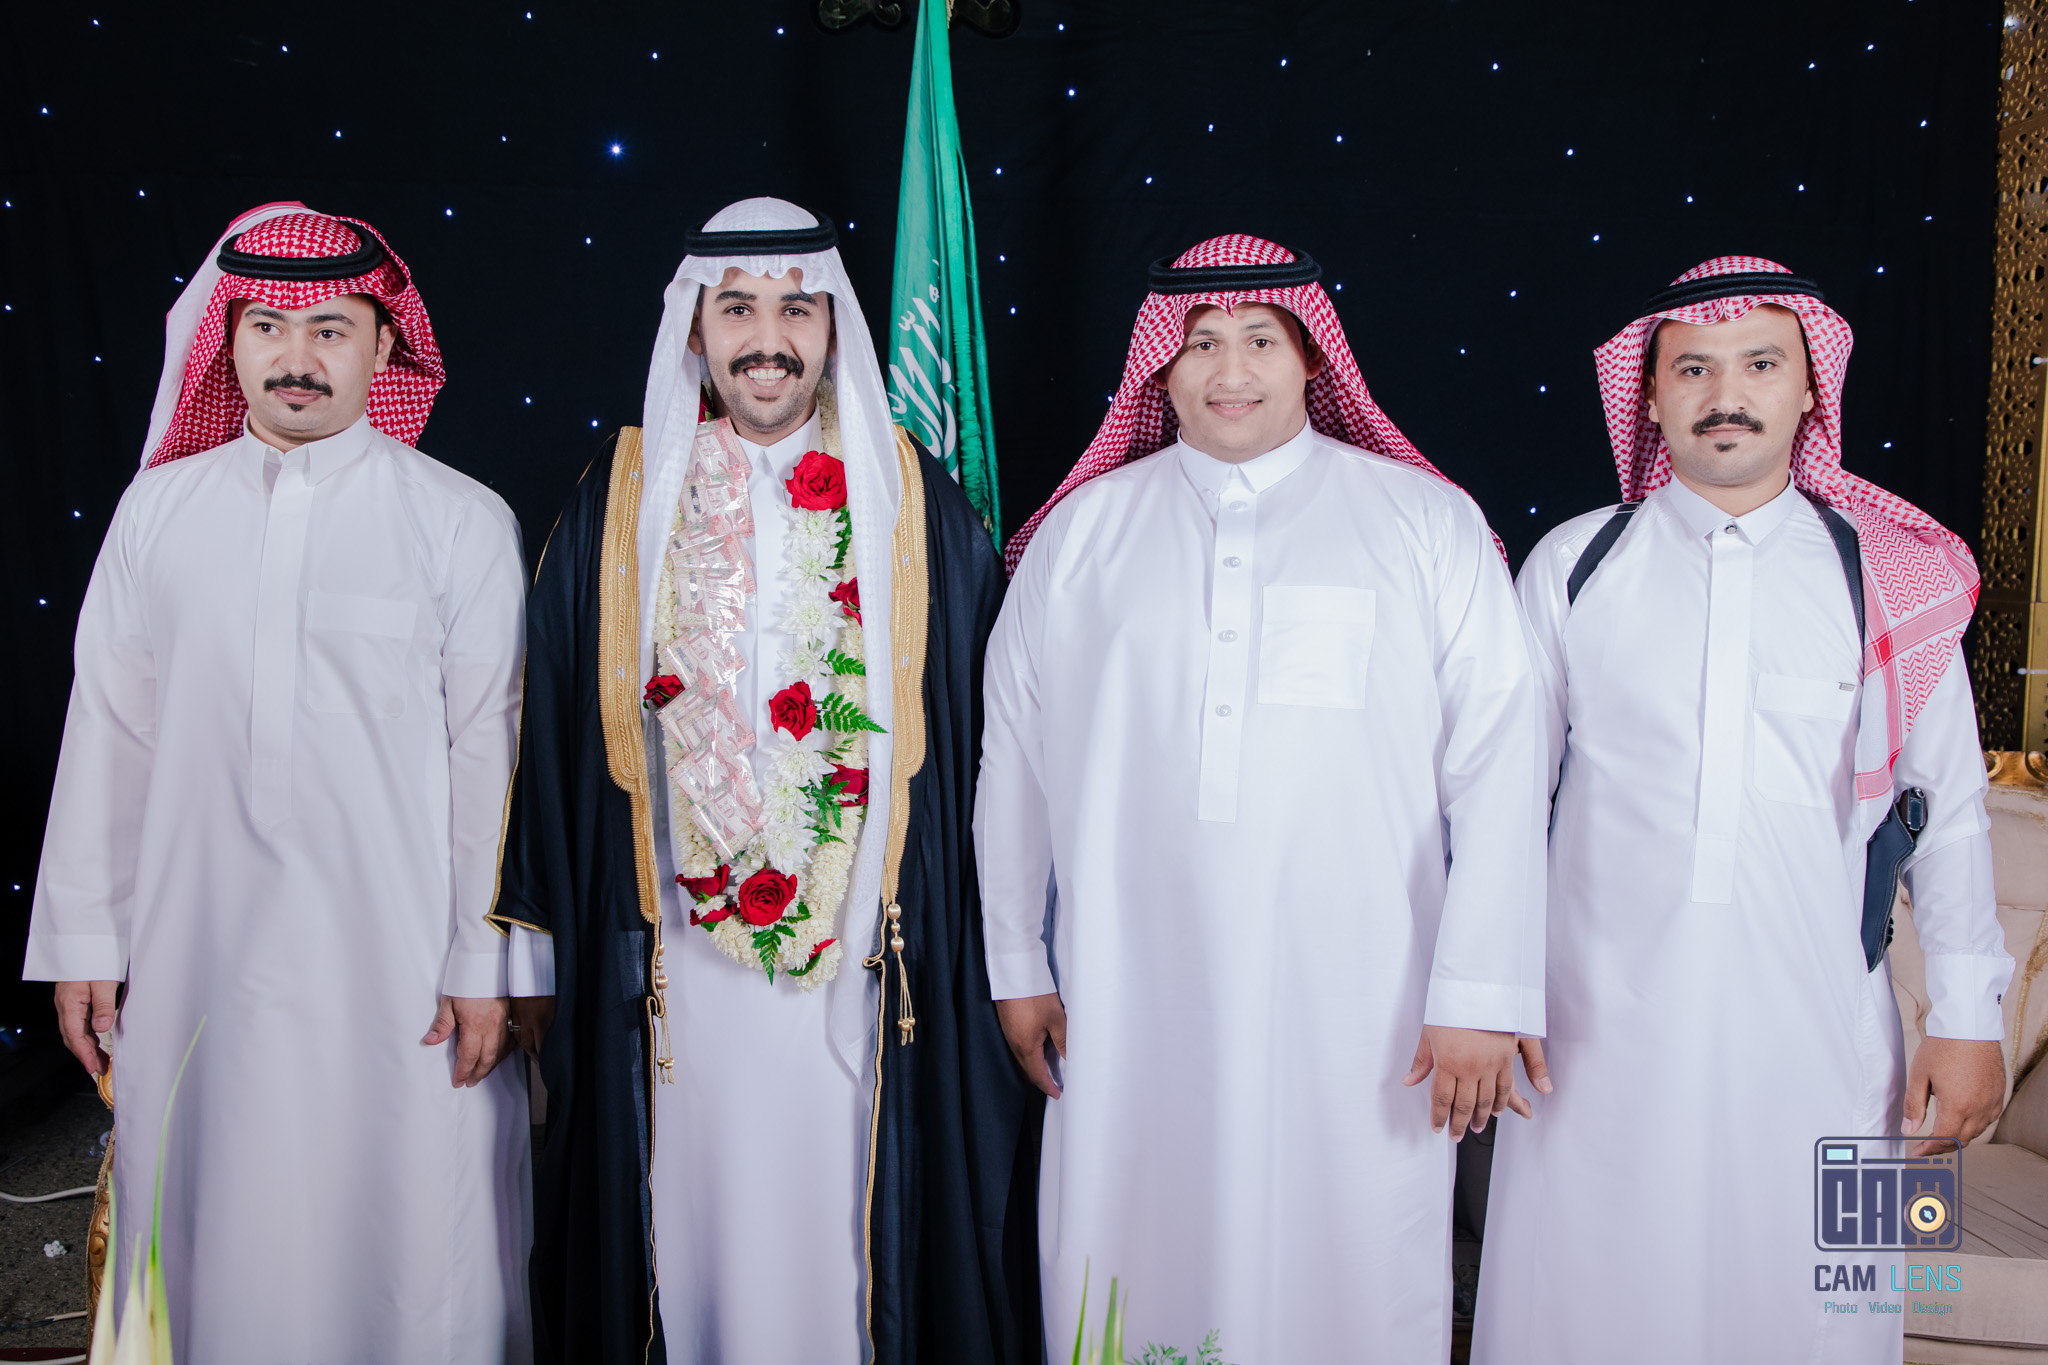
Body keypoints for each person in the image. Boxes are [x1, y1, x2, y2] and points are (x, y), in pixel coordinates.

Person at [976, 234, 1549, 1359]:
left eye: (1259, 340)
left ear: (1312, 360)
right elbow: (1015, 759)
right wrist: (1015, 962)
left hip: (1365, 1002)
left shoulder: (1422, 522)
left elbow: (1499, 759)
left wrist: (1480, 991)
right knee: (1133, 1244)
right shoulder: (1080, 534)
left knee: (1349, 1251)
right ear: (1161, 365)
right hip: (1126, 988)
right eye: (1199, 343)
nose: (1228, 370)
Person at [496, 197, 1040, 1364]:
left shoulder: (910, 502)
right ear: (694, 331)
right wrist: (532, 953)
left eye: (796, 310)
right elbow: (546, 730)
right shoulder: (623, 500)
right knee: (687, 1201)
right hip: (671, 957)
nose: (767, 340)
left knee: (844, 1206)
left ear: (833, 330)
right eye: (736, 309)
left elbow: (982, 736)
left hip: (856, 953)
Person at [1473, 256, 2015, 1365]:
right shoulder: (1574, 564)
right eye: (1693, 369)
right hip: (1592, 1033)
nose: (1725, 394)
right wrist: (1486, 986)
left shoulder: (1895, 582)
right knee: (1579, 1308)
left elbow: (1950, 813)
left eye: (1760, 364)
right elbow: (1499, 803)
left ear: (1810, 389)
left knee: (1840, 1310)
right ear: (1649, 395)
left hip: (1829, 1034)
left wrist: (1969, 1020)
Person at [25, 203, 533, 1361]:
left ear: (385, 344)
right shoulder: (159, 512)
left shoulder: (458, 521)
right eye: (267, 327)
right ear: (230, 339)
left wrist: (484, 961)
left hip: (402, 967)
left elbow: (492, 758)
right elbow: (109, 733)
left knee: (410, 1228)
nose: (296, 357)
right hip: (196, 949)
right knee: (206, 1214)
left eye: (329, 330)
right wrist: (88, 938)